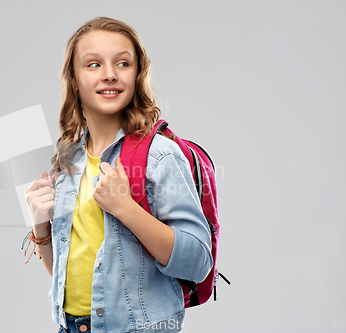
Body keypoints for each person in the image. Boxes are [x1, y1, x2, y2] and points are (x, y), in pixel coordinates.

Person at [24, 17, 213, 333]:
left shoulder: (160, 155)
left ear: (138, 75)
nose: (109, 74)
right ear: (74, 78)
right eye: (94, 64)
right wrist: (39, 225)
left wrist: (126, 209)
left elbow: (197, 264)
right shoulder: (67, 158)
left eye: (122, 63)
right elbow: (66, 275)